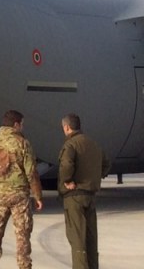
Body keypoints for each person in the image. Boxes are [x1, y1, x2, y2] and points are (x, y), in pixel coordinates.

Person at [0, 109, 44, 269]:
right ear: (16, 125)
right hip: (20, 196)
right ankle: (24, 266)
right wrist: (38, 195)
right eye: (22, 125)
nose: (23, 128)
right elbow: (31, 172)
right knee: (22, 237)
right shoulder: (23, 143)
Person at [58, 113, 110, 269]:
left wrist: (67, 181)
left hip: (74, 197)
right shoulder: (93, 144)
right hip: (90, 196)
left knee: (78, 241)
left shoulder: (71, 145)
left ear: (67, 127)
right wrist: (95, 177)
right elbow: (106, 164)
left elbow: (66, 164)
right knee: (91, 241)